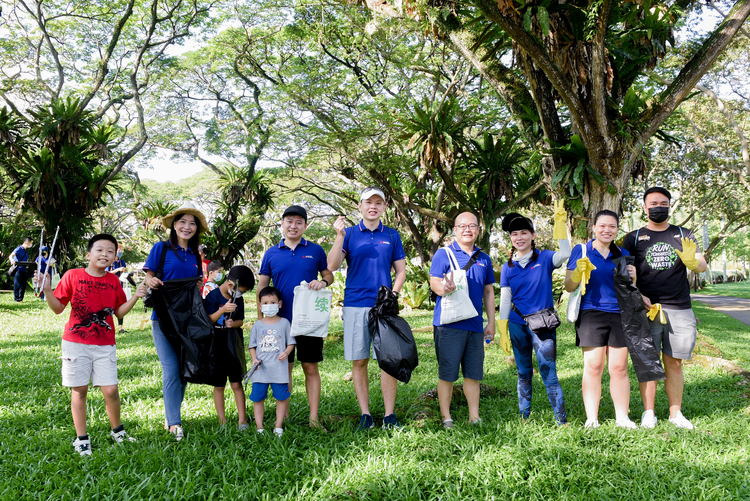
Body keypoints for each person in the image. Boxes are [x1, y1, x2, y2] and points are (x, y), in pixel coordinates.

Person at [36, 234, 147, 455]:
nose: (105, 254)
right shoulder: (72, 275)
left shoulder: (114, 281)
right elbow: (58, 309)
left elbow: (118, 312)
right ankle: (82, 438)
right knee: (79, 390)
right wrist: (48, 290)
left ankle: (118, 432)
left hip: (105, 344)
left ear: (115, 258)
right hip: (75, 343)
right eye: (99, 250)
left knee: (111, 390)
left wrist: (135, 297)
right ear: (88, 254)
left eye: (110, 251)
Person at [622, 187, 708, 430]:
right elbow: (624, 274)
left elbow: (701, 264)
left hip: (679, 308)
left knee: (674, 363)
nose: (658, 207)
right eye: (653, 203)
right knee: (649, 362)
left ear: (669, 206)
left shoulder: (683, 233)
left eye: (663, 203)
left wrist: (694, 263)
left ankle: (675, 413)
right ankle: (648, 413)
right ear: (644, 207)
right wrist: (638, 294)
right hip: (646, 308)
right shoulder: (634, 237)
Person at [327, 187, 407, 431]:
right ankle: (366, 415)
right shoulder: (349, 234)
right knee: (359, 361)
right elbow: (331, 265)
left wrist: (392, 295)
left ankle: (389, 415)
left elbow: (401, 271)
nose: (373, 206)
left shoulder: (392, 235)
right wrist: (339, 236)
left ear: (384, 208)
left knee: (387, 360)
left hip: (384, 307)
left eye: (378, 203)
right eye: (368, 202)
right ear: (360, 206)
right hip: (355, 304)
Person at [257, 205, 334, 429]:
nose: (294, 226)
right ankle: (285, 415)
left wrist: (324, 282)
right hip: (280, 323)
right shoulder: (271, 253)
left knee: (310, 367)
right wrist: (261, 318)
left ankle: (314, 418)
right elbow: (262, 286)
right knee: (285, 368)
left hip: (309, 322)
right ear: (282, 223)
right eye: (289, 221)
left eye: (299, 222)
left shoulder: (316, 250)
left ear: (305, 226)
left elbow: (328, 273)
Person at [497, 202, 571, 424]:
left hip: (542, 325)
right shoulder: (507, 267)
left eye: (523, 233)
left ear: (532, 235)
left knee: (549, 374)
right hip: (517, 325)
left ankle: (562, 421)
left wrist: (560, 226)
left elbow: (565, 253)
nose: (519, 237)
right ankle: (524, 417)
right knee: (523, 372)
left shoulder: (545, 258)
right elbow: (505, 299)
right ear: (510, 238)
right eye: (514, 234)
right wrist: (502, 329)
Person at [564, 210, 638, 429]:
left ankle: (622, 418)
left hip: (619, 313)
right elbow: (568, 286)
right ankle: (592, 418)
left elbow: (631, 290)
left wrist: (633, 277)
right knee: (594, 366)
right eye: (602, 226)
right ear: (594, 228)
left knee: (619, 368)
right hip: (590, 313)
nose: (607, 230)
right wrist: (577, 273)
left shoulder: (622, 252)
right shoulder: (582, 250)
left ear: (617, 229)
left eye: (612, 226)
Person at [144, 202, 209, 441]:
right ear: (174, 224)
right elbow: (150, 277)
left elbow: (197, 283)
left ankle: (171, 418)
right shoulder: (161, 249)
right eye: (182, 222)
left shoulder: (195, 254)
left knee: (183, 371)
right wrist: (151, 282)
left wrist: (199, 286)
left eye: (192, 223)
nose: (187, 227)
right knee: (171, 369)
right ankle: (174, 424)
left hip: (188, 321)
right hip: (162, 319)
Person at [429, 212, 496, 428]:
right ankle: (446, 417)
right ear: (455, 230)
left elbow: (488, 291)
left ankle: (474, 416)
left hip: (475, 324)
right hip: (449, 324)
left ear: (478, 229)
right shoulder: (444, 254)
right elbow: (434, 282)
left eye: (472, 226)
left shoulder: (484, 258)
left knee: (473, 373)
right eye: (462, 226)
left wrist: (492, 322)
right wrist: (443, 289)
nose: (468, 229)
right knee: (447, 373)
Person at [204, 265, 254, 430]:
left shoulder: (237, 298)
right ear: (231, 285)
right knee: (219, 385)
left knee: (236, 383)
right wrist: (223, 310)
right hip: (216, 345)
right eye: (240, 290)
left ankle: (242, 420)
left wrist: (233, 324)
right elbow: (208, 320)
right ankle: (222, 420)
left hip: (233, 344)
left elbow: (240, 320)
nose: (240, 295)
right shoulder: (212, 297)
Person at [248, 286, 296, 437]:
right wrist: (254, 359)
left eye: (273, 302)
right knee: (258, 398)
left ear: (280, 304)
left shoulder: (285, 323)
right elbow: (252, 346)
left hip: (279, 370)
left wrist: (286, 352)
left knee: (281, 397)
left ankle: (279, 426)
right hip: (260, 371)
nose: (269, 306)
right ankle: (259, 427)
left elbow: (291, 342)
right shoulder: (257, 325)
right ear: (260, 306)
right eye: (266, 303)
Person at [106, 246, 128, 333]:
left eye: (121, 250)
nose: (121, 252)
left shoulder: (122, 262)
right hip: (109, 287)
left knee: (120, 306)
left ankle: (120, 328)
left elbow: (125, 272)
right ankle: (108, 326)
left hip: (120, 286)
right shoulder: (109, 261)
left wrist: (125, 272)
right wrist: (118, 269)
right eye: (119, 250)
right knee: (109, 307)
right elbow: (107, 273)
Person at [10, 236, 33, 302]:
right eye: (31, 243)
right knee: (17, 284)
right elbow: (11, 256)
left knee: (23, 285)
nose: (31, 245)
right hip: (18, 269)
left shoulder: (26, 250)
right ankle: (16, 299)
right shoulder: (18, 249)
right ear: (27, 243)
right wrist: (12, 260)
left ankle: (21, 299)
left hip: (24, 269)